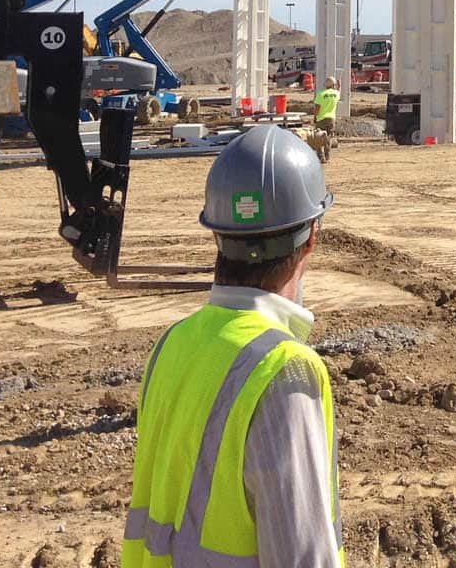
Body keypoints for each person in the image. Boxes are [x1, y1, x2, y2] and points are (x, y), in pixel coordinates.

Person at [123, 125, 343, 568]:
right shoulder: (284, 371)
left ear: (217, 235)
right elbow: (301, 556)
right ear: (312, 236)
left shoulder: (172, 344)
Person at [312, 76, 340, 160]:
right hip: (331, 119)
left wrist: (315, 117)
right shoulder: (336, 94)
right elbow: (339, 91)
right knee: (328, 137)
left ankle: (321, 156)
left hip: (321, 119)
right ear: (333, 85)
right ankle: (327, 155)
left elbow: (317, 109)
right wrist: (339, 86)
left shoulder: (321, 94)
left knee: (318, 138)